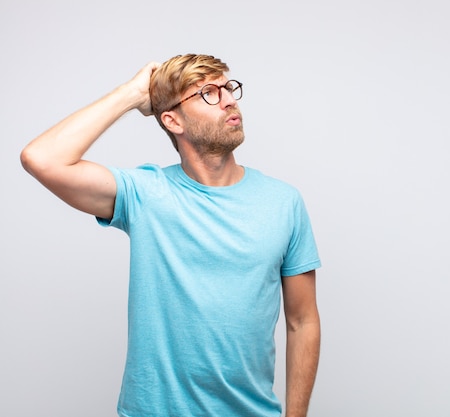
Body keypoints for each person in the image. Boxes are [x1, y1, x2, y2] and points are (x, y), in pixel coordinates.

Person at [20, 54, 321, 417]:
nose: (228, 99)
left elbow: (302, 321)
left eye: (228, 87)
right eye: (208, 92)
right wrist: (131, 93)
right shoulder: (146, 193)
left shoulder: (283, 202)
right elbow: (41, 158)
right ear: (172, 120)